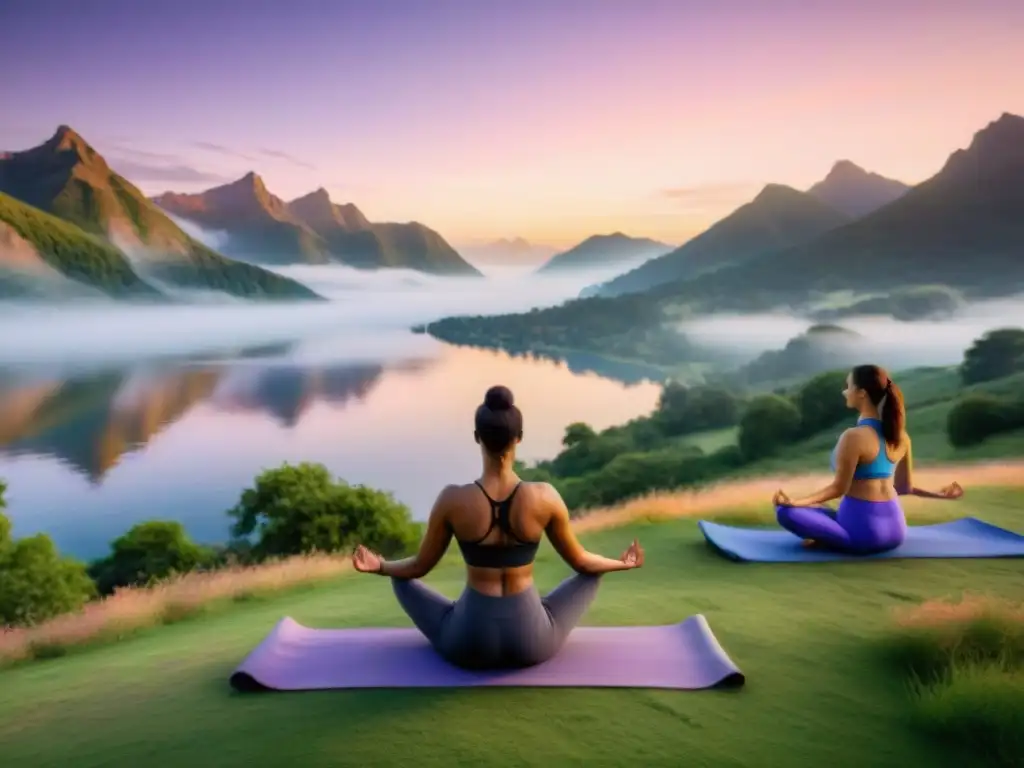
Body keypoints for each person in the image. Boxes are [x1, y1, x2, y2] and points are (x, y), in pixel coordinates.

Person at [350, 385, 644, 670]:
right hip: (533, 642)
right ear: (519, 438)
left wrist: (380, 565)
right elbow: (581, 561)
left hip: (468, 644)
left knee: (399, 578)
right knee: (593, 574)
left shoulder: (453, 499)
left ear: (477, 437)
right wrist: (621, 563)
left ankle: (457, 614)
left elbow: (418, 567)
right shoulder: (544, 496)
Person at [772, 364, 964, 553]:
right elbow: (904, 488)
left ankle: (828, 538)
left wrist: (795, 502)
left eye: (848, 387)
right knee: (817, 506)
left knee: (785, 512)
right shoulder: (901, 436)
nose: (845, 392)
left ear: (862, 393)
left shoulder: (854, 437)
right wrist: (940, 494)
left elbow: (839, 489)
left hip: (863, 535)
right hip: (896, 532)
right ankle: (828, 531)